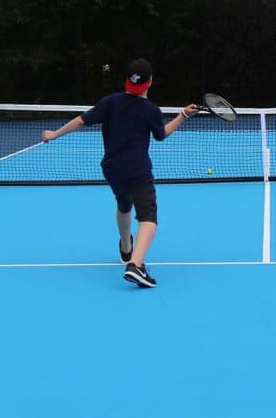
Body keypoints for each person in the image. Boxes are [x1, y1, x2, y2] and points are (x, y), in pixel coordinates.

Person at [41, 59, 196, 289]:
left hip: (112, 169)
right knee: (148, 217)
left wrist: (55, 134)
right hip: (138, 170)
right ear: (149, 83)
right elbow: (162, 135)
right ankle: (135, 264)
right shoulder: (151, 111)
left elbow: (81, 121)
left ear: (127, 81)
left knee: (124, 204)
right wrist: (181, 116)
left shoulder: (110, 103)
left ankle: (126, 246)